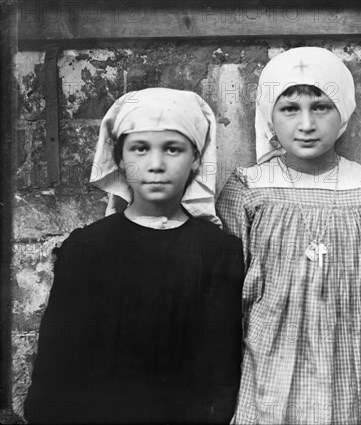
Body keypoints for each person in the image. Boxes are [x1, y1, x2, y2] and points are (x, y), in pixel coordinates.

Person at [24, 88, 244, 424]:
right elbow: (55, 364)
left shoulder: (218, 251)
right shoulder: (86, 250)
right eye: (140, 149)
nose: (155, 165)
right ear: (120, 157)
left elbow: (222, 369)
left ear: (197, 158)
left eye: (173, 149)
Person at [216, 47, 361, 424]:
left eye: (321, 107)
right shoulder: (247, 189)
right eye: (290, 109)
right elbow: (227, 298)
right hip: (266, 366)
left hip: (350, 366)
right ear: (270, 115)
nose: (306, 124)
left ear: (344, 112)